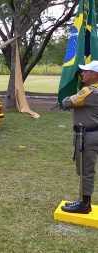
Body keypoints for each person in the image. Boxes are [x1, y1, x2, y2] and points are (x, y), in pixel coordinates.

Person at [61, 60, 98, 214]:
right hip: (93, 133)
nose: (82, 73)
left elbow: (66, 103)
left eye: (85, 71)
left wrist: (71, 98)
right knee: (86, 169)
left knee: (86, 170)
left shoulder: (90, 92)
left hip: (87, 135)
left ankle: (84, 204)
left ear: (94, 75)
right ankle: (83, 201)